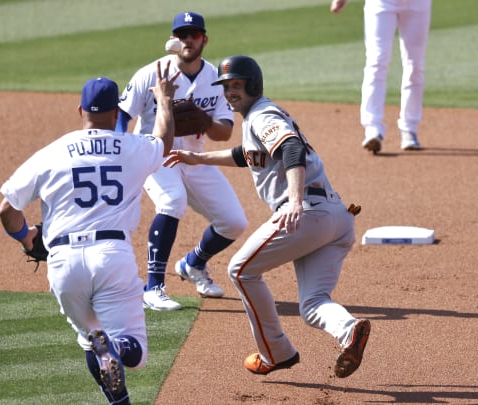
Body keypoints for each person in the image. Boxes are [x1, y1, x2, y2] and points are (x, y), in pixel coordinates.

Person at [164, 55, 371, 378]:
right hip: (335, 218)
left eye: (237, 85)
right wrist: (198, 158)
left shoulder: (262, 114)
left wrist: (294, 201)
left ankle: (275, 352)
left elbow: (290, 149)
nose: (231, 92)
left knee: (241, 270)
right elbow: (248, 155)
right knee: (313, 303)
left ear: (253, 84)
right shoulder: (257, 120)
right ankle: (350, 330)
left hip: (306, 214)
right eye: (226, 86)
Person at [0, 63, 179, 404]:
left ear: (80, 110)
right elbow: (164, 142)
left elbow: (6, 210)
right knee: (134, 353)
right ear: (116, 113)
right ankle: (115, 345)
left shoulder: (52, 151)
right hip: (112, 257)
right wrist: (165, 101)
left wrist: (27, 240)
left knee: (91, 340)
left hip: (63, 263)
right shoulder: (133, 146)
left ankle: (118, 397)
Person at [116, 11, 248, 311]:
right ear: (173, 39)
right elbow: (123, 116)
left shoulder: (215, 78)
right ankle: (153, 287)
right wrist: (123, 150)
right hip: (155, 155)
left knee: (234, 222)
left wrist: (204, 120)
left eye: (195, 34)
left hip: (193, 157)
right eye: (182, 34)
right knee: (172, 201)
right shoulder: (152, 73)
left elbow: (224, 133)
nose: (188, 39)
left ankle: (193, 265)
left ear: (205, 39)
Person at [331, 0, 432, 153]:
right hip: (381, 3)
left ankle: (409, 128)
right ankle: (372, 128)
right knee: (377, 61)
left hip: (417, 4)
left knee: (415, 66)